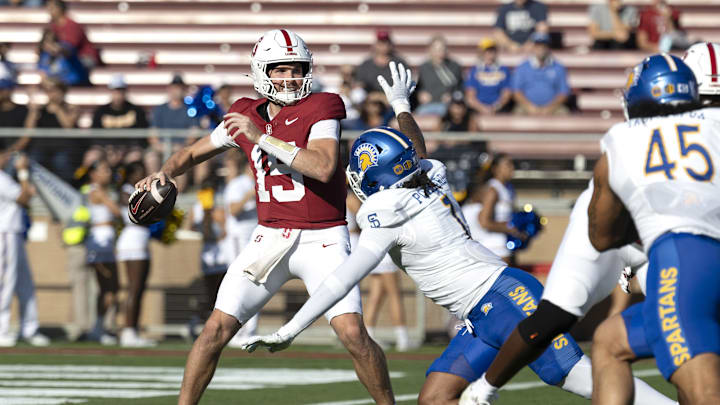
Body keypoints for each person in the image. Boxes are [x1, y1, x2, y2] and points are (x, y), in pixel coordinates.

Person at [236, 125, 672, 405]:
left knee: (586, 379)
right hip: (482, 310)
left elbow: (341, 279)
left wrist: (291, 328)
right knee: (436, 396)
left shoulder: (383, 212)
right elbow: (416, 149)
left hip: (505, 299)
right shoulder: (432, 172)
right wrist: (404, 108)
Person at [134, 30, 419, 405]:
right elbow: (192, 153)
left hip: (324, 238)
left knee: (353, 334)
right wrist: (165, 172)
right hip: (269, 237)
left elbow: (322, 165)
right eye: (279, 69)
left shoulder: (323, 106)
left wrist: (262, 137)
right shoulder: (245, 112)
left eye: (295, 68)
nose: (289, 77)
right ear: (260, 71)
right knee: (214, 331)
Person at [590, 46, 720, 405]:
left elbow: (601, 238)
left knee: (705, 393)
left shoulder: (622, 141)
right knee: (610, 340)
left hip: (687, 257)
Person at [346, 192, 413, 352]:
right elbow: (364, 219)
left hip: (364, 244)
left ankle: (369, 332)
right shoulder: (352, 198)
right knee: (394, 293)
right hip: (372, 244)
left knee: (377, 293)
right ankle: (402, 337)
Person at [0, 152, 51, 347]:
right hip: (4, 233)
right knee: (6, 284)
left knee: (25, 284)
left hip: (14, 232)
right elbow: (23, 198)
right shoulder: (2, 178)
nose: (6, 160)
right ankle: (2, 329)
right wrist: (22, 173)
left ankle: (29, 328)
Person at [220, 151, 260, 346]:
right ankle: (237, 331)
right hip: (238, 238)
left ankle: (249, 330)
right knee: (238, 282)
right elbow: (233, 210)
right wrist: (249, 195)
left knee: (255, 282)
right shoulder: (238, 185)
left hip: (254, 237)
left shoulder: (261, 182)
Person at [116, 161, 155, 347]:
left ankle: (133, 329)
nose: (142, 176)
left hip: (141, 239)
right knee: (134, 287)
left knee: (139, 289)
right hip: (132, 240)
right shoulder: (126, 191)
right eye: (138, 173)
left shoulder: (136, 190)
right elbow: (137, 207)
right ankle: (128, 332)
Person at [85, 159, 121, 345]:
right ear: (93, 174)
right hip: (100, 243)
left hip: (107, 242)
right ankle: (98, 329)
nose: (108, 173)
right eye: (104, 170)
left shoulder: (104, 191)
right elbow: (116, 212)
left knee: (111, 288)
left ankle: (100, 327)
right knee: (108, 287)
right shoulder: (96, 191)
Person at [474, 154, 523, 264]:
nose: (512, 168)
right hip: (493, 247)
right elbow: (484, 222)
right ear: (496, 169)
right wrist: (510, 228)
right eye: (507, 165)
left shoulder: (509, 188)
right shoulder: (493, 190)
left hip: (506, 244)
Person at [512, 32, 570, 116]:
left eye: (543, 45)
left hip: (553, 108)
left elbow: (563, 92)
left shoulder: (558, 67)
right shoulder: (523, 67)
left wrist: (550, 108)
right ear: (533, 47)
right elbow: (516, 91)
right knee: (518, 115)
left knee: (564, 114)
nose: (540, 48)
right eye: (537, 45)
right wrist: (529, 107)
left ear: (548, 47)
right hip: (526, 107)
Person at [91, 75, 149, 147]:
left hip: (130, 149)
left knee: (135, 155)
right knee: (94, 156)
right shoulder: (100, 112)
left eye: (120, 91)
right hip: (106, 149)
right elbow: (94, 135)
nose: (118, 95)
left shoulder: (137, 111)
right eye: (115, 91)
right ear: (111, 92)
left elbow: (142, 135)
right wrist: (108, 147)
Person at [415, 35, 463, 116]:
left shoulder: (454, 67)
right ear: (430, 50)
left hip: (447, 106)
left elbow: (460, 88)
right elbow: (418, 89)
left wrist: (452, 96)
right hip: (427, 105)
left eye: (442, 49)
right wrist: (420, 95)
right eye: (436, 49)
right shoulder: (424, 67)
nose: (439, 52)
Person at [46, 0, 100, 71]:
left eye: (52, 8)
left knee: (58, 68)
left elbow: (70, 47)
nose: (49, 12)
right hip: (66, 58)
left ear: (60, 9)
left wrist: (56, 48)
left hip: (84, 57)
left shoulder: (71, 25)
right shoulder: (53, 26)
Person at [464, 38, 513, 116]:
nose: (489, 54)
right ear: (481, 53)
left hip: (499, 109)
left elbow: (506, 94)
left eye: (492, 51)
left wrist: (496, 107)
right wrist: (482, 108)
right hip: (478, 109)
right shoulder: (474, 70)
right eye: (486, 51)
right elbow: (470, 96)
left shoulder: (504, 69)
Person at [354, 29, 409, 95]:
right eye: (381, 42)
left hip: (394, 100)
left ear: (391, 44)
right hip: (370, 101)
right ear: (376, 44)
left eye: (386, 42)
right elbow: (359, 85)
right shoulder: (366, 65)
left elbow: (405, 86)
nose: (383, 46)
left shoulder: (400, 63)